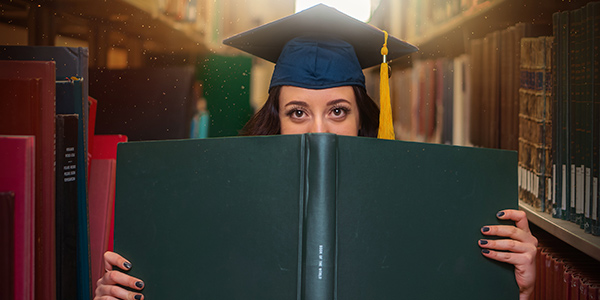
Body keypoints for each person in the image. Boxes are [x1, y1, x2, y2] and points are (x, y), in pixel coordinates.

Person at [95, 5, 537, 300]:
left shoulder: (419, 206)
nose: (320, 130)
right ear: (277, 120)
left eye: (338, 110)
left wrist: (514, 288)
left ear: (362, 119)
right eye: (299, 112)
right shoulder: (217, 201)